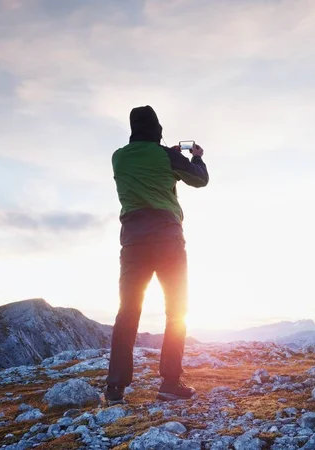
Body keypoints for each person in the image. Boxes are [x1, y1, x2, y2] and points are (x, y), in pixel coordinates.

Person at [105, 105, 209, 404]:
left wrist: (166, 154)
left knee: (128, 311)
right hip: (167, 238)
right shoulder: (167, 156)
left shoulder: (118, 156)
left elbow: (146, 165)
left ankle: (115, 388)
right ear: (157, 128)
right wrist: (195, 156)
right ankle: (170, 384)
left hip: (133, 241)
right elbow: (199, 180)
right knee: (176, 310)